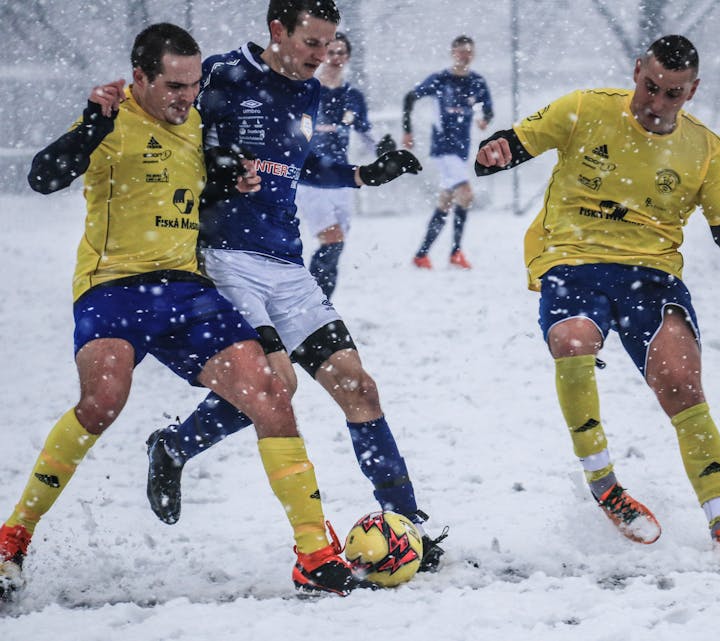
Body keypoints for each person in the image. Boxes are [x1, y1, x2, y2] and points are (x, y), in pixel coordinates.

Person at [0, 23, 357, 602]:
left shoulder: (194, 121)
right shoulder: (109, 120)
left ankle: (314, 553)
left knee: (269, 390)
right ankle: (12, 537)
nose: (185, 98)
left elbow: (212, 169)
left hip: (186, 290)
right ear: (138, 77)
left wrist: (234, 173)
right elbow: (43, 177)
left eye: (193, 86)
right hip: (113, 288)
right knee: (103, 401)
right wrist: (92, 123)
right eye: (172, 86)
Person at [143, 0, 447, 572]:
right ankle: (178, 449)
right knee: (277, 385)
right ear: (277, 30)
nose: (323, 55)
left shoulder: (309, 92)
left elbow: (298, 165)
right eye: (312, 42)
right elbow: (168, 131)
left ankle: (411, 527)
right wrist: (220, 161)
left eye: (331, 43)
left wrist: (362, 174)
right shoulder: (221, 73)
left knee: (359, 388)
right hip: (225, 258)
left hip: (288, 265)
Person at [473, 35, 720, 563]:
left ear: (692, 91)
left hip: (652, 275)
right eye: (650, 87)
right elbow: (517, 141)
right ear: (636, 71)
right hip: (573, 258)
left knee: (682, 386)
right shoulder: (585, 109)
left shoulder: (706, 148)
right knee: (572, 341)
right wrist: (495, 151)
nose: (656, 104)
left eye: (672, 95)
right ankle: (604, 484)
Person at [295, 32, 395, 299]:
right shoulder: (307, 90)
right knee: (332, 238)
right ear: (322, 54)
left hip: (342, 177)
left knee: (337, 246)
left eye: (341, 53)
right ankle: (311, 303)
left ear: (348, 57)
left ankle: (321, 306)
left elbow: (365, 132)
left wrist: (383, 150)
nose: (336, 58)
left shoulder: (353, 96)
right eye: (331, 51)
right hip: (311, 178)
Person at [403, 35, 493, 270]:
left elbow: (488, 109)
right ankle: (455, 252)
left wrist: (485, 119)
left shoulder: (476, 82)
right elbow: (410, 98)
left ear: (474, 54)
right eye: (461, 51)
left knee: (446, 202)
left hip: (461, 151)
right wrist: (407, 131)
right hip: (443, 148)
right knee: (466, 194)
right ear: (453, 52)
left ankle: (421, 255)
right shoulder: (440, 79)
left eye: (469, 52)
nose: (465, 55)